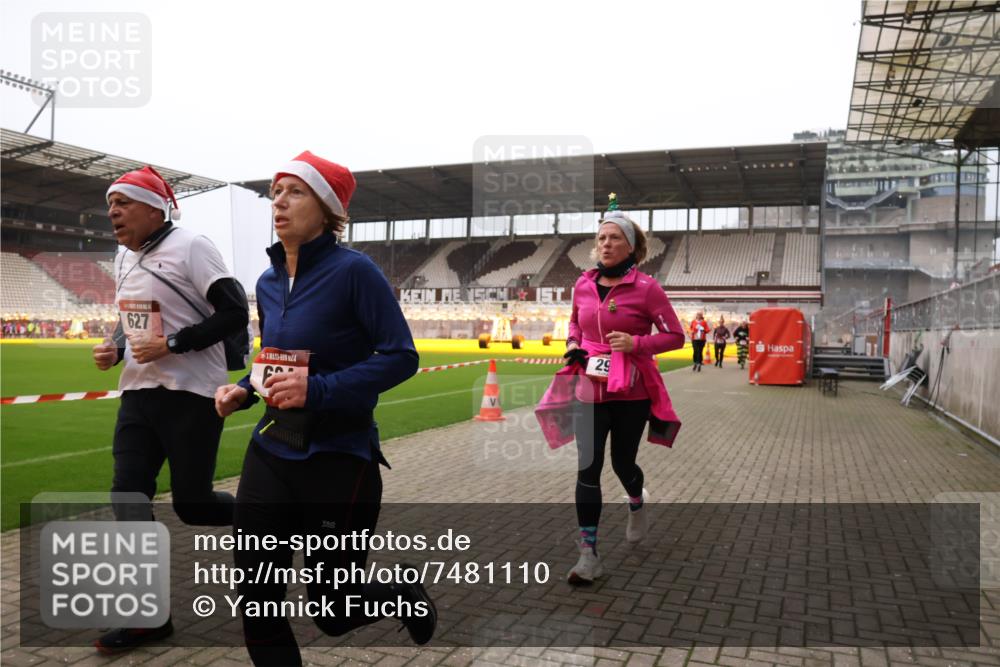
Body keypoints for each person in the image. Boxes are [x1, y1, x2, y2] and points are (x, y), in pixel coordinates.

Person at [213, 151, 435, 665]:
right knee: (257, 600)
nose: (279, 202)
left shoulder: (356, 272)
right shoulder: (267, 282)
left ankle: (400, 594)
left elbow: (401, 356)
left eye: (296, 191)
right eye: (276, 192)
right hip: (271, 450)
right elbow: (274, 359)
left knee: (334, 612)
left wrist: (320, 390)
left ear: (328, 208)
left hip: (338, 458)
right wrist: (244, 389)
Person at [91, 166, 249, 654]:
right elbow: (133, 321)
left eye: (123, 202)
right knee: (128, 497)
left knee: (193, 506)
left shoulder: (192, 246)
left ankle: (269, 518)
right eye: (110, 203)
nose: (113, 211)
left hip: (192, 393)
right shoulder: (123, 256)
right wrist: (116, 348)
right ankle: (149, 617)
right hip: (138, 393)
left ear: (154, 208)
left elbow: (235, 312)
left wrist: (174, 344)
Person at [535, 194, 684, 585]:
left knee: (623, 464)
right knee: (588, 466)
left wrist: (637, 344)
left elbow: (675, 336)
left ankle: (636, 500)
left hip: (631, 391)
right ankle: (588, 554)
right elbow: (574, 323)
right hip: (589, 387)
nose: (605, 244)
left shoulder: (648, 289)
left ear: (631, 246)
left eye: (615, 238)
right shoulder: (582, 285)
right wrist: (572, 344)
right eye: (601, 237)